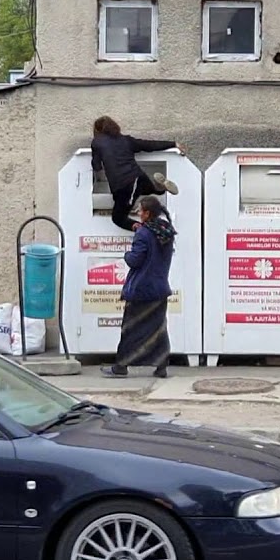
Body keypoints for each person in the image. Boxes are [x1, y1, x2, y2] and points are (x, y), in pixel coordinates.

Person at [102, 196, 176, 379]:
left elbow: (135, 260)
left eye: (140, 210)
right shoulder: (165, 230)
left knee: (131, 329)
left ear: (147, 214)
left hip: (141, 289)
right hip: (159, 288)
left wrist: (126, 254)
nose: (137, 213)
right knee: (158, 329)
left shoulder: (143, 234)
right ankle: (161, 366)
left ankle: (121, 366)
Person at [90, 116, 185, 232]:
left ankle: (147, 231)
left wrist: (100, 162)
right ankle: (160, 187)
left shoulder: (97, 143)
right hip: (139, 177)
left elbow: (97, 166)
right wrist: (173, 144)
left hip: (124, 185)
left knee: (118, 218)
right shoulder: (126, 140)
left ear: (98, 130)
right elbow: (148, 145)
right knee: (150, 190)